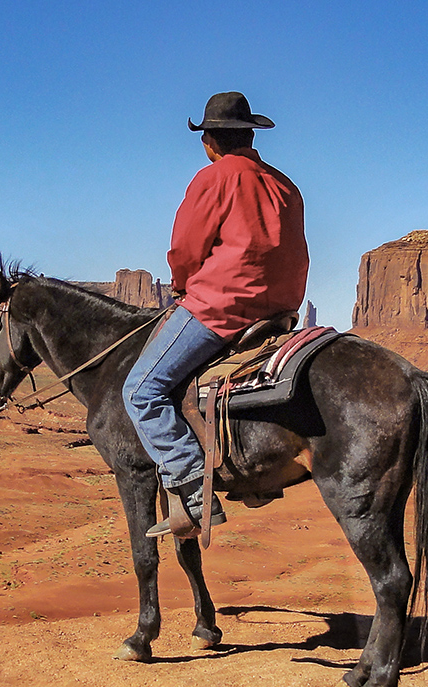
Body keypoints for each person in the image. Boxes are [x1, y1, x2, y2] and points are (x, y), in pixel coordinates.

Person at [123, 91, 309, 538]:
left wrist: (183, 286)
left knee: (142, 391)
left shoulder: (213, 178)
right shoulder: (285, 184)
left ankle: (190, 489)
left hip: (222, 306)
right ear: (248, 135)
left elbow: (186, 248)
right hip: (279, 311)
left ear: (210, 140)